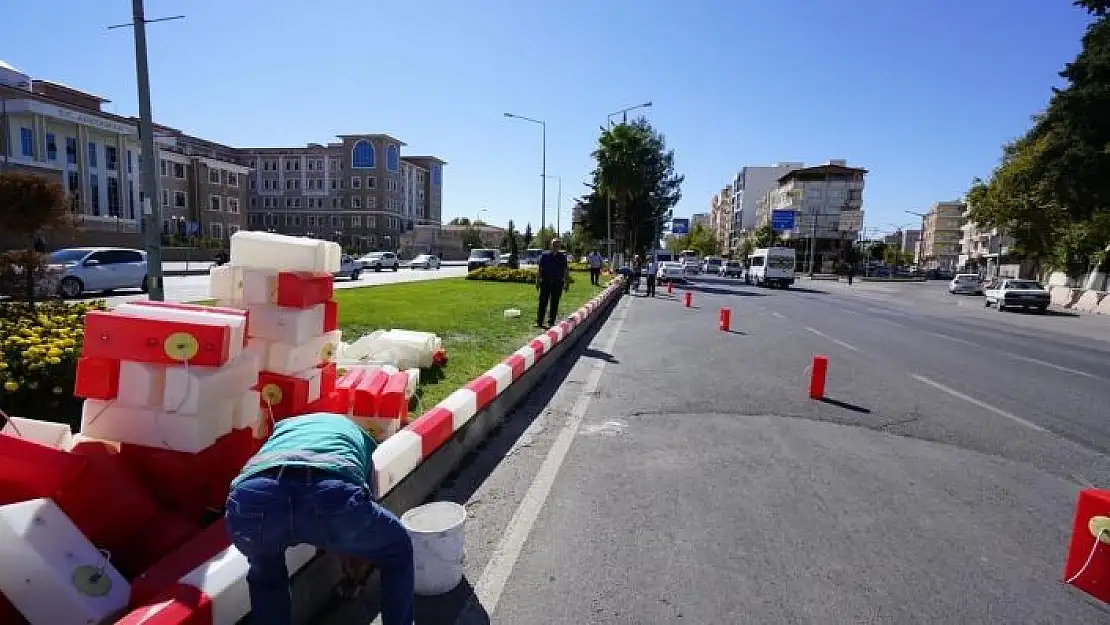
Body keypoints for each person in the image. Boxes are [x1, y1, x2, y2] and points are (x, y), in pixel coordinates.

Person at [225, 413, 414, 625]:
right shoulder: (359, 437)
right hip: (329, 493)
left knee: (266, 573)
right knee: (397, 548)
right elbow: (360, 516)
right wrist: (353, 573)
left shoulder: (283, 430)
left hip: (251, 499)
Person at [535, 238, 569, 328]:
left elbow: (566, 270)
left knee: (554, 303)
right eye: (554, 245)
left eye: (557, 246)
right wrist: (537, 282)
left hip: (557, 283)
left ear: (559, 247)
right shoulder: (544, 256)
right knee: (542, 302)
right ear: (551, 245)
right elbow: (540, 270)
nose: (556, 247)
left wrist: (566, 282)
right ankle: (539, 322)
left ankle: (551, 321)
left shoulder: (562, 257)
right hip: (545, 282)